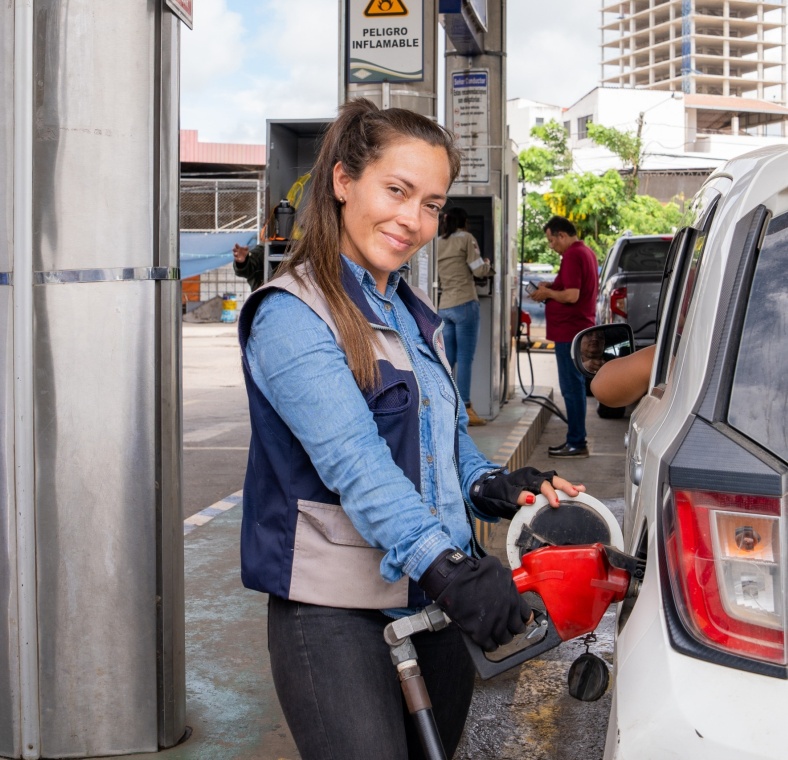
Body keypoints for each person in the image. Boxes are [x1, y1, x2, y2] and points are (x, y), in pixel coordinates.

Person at [236, 98, 584, 760]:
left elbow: (440, 439)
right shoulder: (292, 315)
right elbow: (357, 464)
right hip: (335, 615)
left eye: (430, 203)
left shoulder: (407, 311)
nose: (413, 220)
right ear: (343, 182)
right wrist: (450, 565)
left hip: (430, 600)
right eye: (397, 190)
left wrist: (491, 485)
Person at [529, 216, 599, 458]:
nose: (551, 246)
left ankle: (576, 442)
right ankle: (576, 439)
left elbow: (571, 296)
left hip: (570, 332)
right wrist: (553, 285)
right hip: (576, 330)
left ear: (561, 235)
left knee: (571, 388)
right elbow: (569, 287)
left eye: (551, 240)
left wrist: (547, 292)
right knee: (574, 387)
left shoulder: (572, 255)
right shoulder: (585, 252)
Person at [436, 207, 493, 427]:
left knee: (448, 360)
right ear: (465, 222)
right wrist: (488, 265)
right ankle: (466, 408)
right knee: (466, 359)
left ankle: (446, 406)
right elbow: (479, 271)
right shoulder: (467, 239)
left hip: (444, 307)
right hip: (465, 305)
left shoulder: (438, 242)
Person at [589, 344, 656, 408]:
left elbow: (600, 384)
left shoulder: (656, 356)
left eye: (600, 336)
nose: (594, 339)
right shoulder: (655, 358)